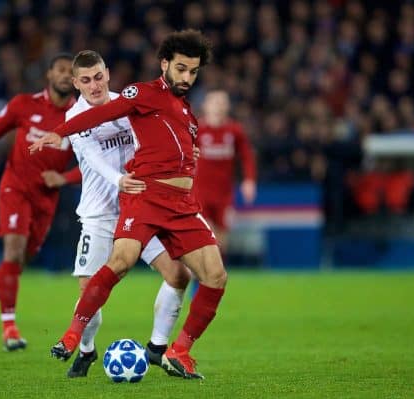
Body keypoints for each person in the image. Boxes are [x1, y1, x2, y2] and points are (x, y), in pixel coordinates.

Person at [30, 30, 226, 380]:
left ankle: (163, 349)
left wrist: (185, 151)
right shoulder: (109, 107)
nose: (94, 85)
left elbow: (165, 137)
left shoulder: (153, 104)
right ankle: (83, 345)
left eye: (99, 77)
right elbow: (93, 153)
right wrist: (61, 132)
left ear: (107, 74)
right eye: (86, 80)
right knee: (103, 277)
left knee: (190, 275)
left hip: (158, 201)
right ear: (76, 83)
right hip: (107, 208)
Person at [0, 53, 81, 351]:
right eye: (61, 70)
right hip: (15, 188)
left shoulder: (81, 116)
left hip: (46, 199)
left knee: (14, 264)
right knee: (13, 252)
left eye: (71, 72)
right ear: (49, 75)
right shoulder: (23, 104)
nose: (66, 75)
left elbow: (93, 163)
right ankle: (9, 328)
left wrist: (64, 179)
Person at [194, 89, 257, 256]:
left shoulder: (234, 131)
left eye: (222, 103)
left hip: (224, 195)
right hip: (201, 194)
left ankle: (212, 279)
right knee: (206, 238)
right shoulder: (197, 130)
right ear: (206, 106)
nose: (219, 107)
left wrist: (249, 180)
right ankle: (200, 277)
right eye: (215, 102)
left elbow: (247, 156)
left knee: (222, 242)